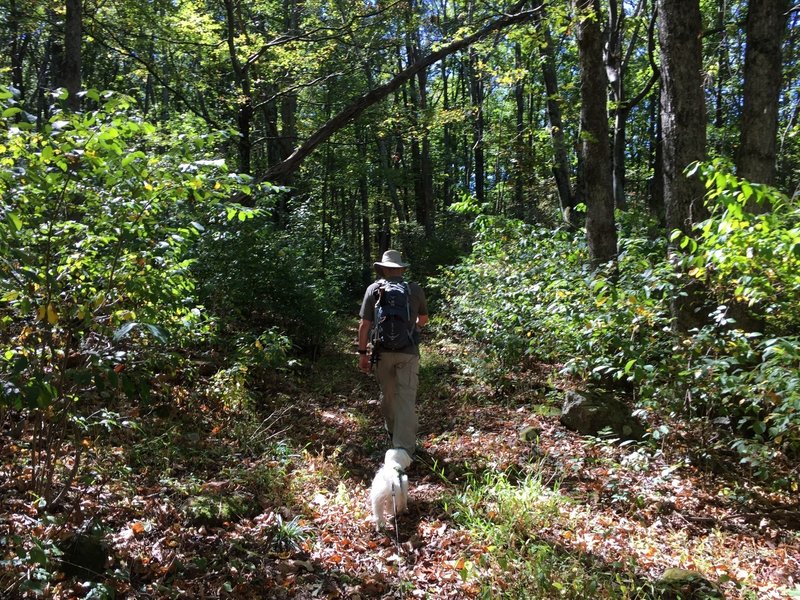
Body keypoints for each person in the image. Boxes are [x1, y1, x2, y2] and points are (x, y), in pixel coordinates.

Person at [358, 250, 428, 457]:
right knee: (406, 398)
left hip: (382, 352)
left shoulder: (373, 289)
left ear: (383, 269)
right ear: (402, 269)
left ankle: (392, 433)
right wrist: (413, 327)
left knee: (388, 396)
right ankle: (404, 449)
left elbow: (364, 325)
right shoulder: (414, 290)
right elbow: (423, 319)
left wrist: (362, 353)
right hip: (408, 352)